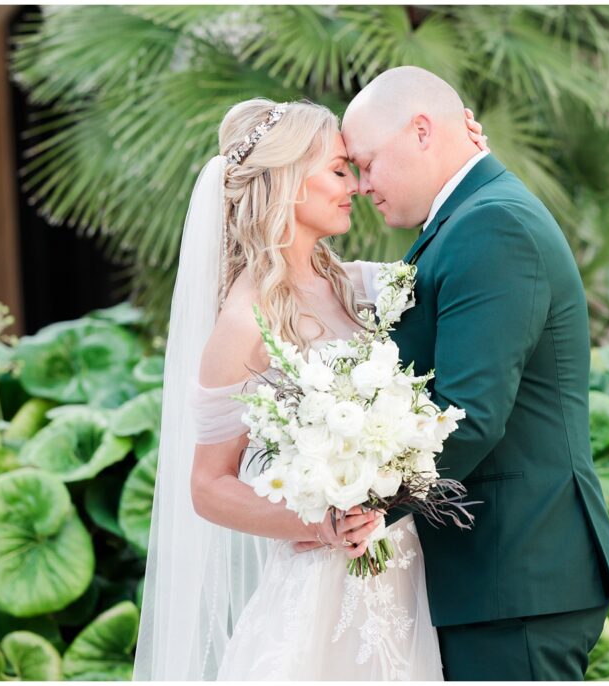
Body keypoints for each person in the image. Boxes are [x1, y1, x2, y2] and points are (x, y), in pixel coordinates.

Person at [133, 97, 485, 680]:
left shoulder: (359, 285)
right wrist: (319, 524)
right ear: (288, 182)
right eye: (339, 169)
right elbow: (207, 486)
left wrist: (463, 157)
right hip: (322, 593)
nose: (356, 184)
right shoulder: (245, 323)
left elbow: (460, 265)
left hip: (407, 574)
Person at [323, 66, 609, 681]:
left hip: (514, 575)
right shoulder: (467, 217)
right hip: (498, 575)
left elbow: (467, 413)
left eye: (366, 162)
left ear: (421, 131)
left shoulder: (492, 226)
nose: (361, 185)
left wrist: (365, 500)